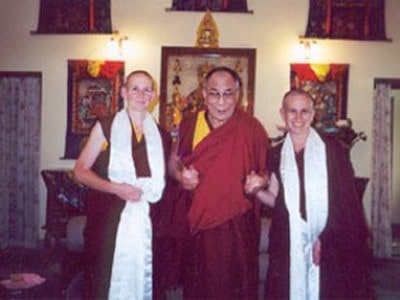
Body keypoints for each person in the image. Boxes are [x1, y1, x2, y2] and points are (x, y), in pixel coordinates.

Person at [245, 89, 372, 299]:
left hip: (329, 237)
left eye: (304, 111)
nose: (298, 118)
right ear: (282, 114)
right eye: (292, 111)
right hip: (287, 237)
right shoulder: (276, 153)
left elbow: (345, 202)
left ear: (313, 115)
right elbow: (276, 198)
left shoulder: (332, 150)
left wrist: (322, 237)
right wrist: (257, 191)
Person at [166, 66, 269, 299]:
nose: (221, 101)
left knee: (236, 285)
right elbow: (173, 162)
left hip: (237, 224)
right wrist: (181, 175)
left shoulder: (251, 128)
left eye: (228, 93)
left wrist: (260, 181)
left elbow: (267, 170)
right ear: (204, 93)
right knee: (199, 285)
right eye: (214, 93)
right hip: (199, 223)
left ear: (238, 94)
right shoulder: (190, 124)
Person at [73, 70, 169, 299]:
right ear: (124, 92)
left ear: (154, 95)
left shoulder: (161, 135)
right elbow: (80, 171)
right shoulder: (106, 126)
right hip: (108, 218)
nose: (141, 94)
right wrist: (116, 188)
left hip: (148, 218)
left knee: (147, 275)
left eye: (147, 89)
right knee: (104, 279)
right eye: (135, 88)